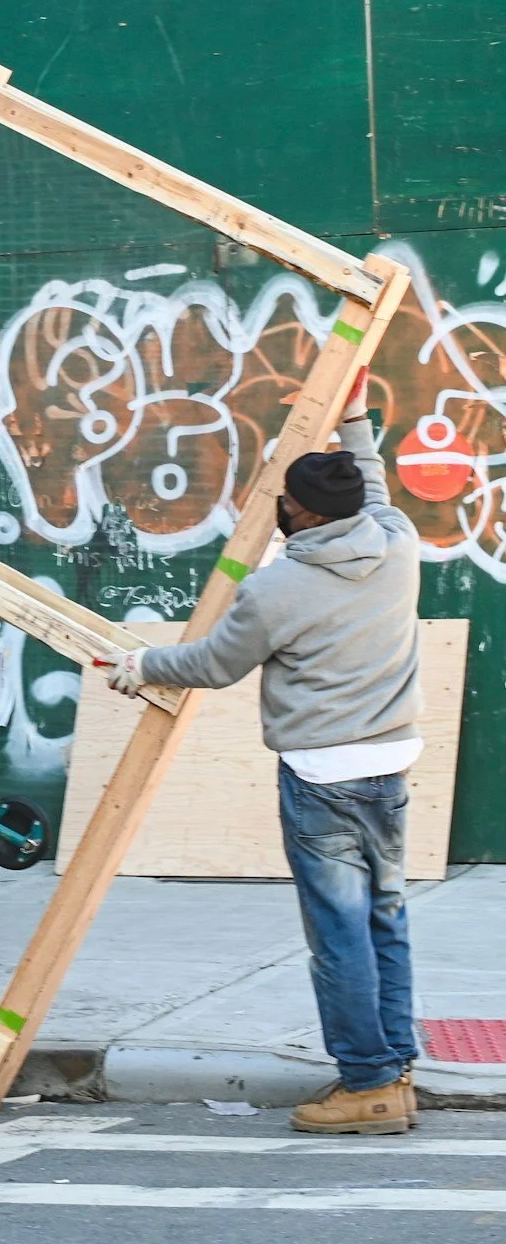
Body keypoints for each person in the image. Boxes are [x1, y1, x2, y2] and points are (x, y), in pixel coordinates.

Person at [107, 374, 422, 1136]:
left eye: (286, 501)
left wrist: (143, 664)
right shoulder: (398, 542)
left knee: (338, 936)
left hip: (322, 777)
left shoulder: (278, 587)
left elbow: (214, 663)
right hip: (389, 765)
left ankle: (368, 1084)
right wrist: (355, 424)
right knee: (385, 917)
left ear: (301, 512)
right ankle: (396, 1065)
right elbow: (372, 489)